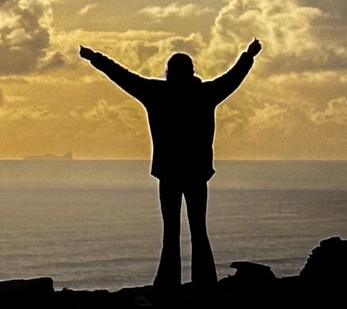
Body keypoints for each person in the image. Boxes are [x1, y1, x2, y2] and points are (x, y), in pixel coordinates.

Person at [79, 39, 262, 289]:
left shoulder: (156, 93)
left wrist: (95, 58)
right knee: (199, 229)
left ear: (168, 72)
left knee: (171, 231)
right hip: (196, 172)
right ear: (192, 71)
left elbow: (121, 75)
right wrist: (248, 55)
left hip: (169, 173)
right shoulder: (205, 94)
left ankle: (168, 283)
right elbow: (233, 77)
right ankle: (205, 282)